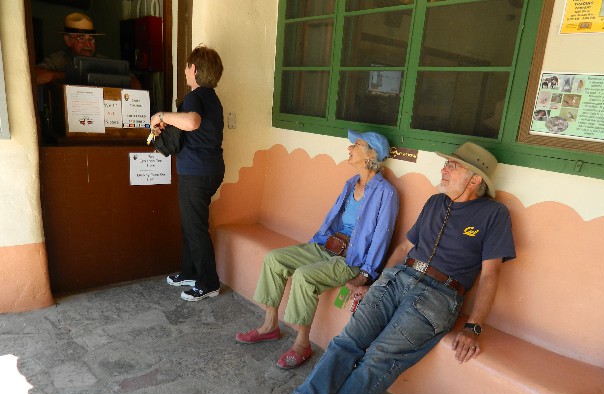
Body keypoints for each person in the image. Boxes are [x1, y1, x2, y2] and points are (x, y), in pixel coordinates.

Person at [248, 142, 516, 394]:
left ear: (474, 180)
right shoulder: (435, 202)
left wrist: (474, 326)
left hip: (439, 296)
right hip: (396, 279)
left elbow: (491, 274)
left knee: (376, 361)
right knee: (346, 342)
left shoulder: (493, 214)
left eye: (453, 166)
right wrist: (374, 283)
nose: (444, 169)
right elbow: (404, 249)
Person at [235, 130, 399, 369]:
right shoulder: (351, 183)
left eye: (356, 144)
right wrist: (317, 243)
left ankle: (302, 344)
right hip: (326, 245)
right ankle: (269, 326)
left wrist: (365, 275)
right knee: (274, 259)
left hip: (350, 260)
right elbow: (333, 219)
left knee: (304, 276)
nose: (350, 148)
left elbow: (382, 238)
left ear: (371, 154)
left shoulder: (386, 193)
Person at [152, 46, 225, 302]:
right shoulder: (210, 97)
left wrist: (160, 116)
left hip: (197, 173)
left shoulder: (196, 97)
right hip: (206, 170)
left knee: (195, 227)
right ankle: (190, 272)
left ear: (194, 69)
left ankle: (208, 283)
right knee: (191, 224)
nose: (185, 71)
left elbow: (192, 122)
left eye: (186, 67)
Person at [35, 12, 140, 88]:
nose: (88, 44)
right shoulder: (58, 59)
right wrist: (76, 76)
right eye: (81, 39)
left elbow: (136, 84)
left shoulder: (103, 61)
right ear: (68, 41)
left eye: (91, 39)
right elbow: (37, 77)